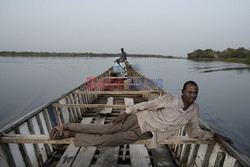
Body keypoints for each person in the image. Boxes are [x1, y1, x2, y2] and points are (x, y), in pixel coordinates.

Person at [49, 81, 232, 148]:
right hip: (138, 118)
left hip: (145, 133)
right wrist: (126, 111)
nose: (192, 95)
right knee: (104, 129)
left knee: (107, 140)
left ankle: (73, 135)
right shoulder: (169, 99)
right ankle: (67, 127)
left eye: (195, 92)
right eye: (189, 91)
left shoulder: (194, 110)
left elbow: (194, 131)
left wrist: (213, 135)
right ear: (183, 92)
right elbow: (147, 104)